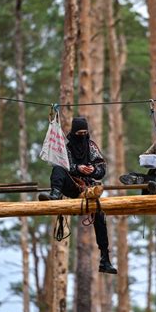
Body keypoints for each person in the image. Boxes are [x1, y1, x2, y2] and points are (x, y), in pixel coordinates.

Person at [39, 116, 117, 274]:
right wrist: (78, 168)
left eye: (85, 132)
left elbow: (102, 167)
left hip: (88, 188)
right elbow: (63, 163)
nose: (82, 136)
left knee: (100, 216)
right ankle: (54, 194)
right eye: (79, 133)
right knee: (58, 169)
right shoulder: (65, 146)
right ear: (74, 133)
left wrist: (93, 170)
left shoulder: (91, 146)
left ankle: (105, 259)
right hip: (71, 185)